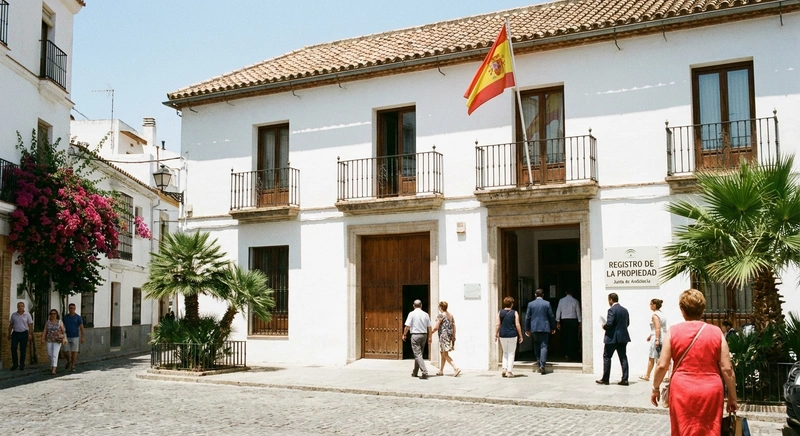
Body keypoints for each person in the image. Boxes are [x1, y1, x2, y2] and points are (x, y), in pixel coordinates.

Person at [650, 289, 738, 435]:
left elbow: (662, 365)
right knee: (710, 430)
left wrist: (655, 388)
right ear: (703, 309)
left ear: (682, 310)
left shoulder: (673, 331)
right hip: (711, 391)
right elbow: (727, 368)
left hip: (682, 390)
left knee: (683, 430)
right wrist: (733, 397)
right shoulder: (716, 332)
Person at [597, 292, 631, 386]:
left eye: (609, 300)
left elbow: (610, 324)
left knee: (607, 357)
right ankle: (625, 379)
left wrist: (604, 326)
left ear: (611, 299)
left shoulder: (611, 310)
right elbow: (627, 323)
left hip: (612, 338)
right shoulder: (625, 310)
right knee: (623, 358)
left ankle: (605, 379)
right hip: (623, 337)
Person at [525, 288, 556, 375]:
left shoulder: (531, 304)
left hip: (534, 327)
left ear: (535, 295)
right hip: (545, 327)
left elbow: (527, 317)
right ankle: (542, 365)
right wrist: (553, 327)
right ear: (543, 295)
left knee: (536, 343)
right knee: (544, 345)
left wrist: (527, 329)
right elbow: (551, 316)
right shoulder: (547, 303)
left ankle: (538, 360)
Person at [401, 299, 431, 380]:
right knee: (419, 354)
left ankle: (424, 372)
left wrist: (404, 334)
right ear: (421, 305)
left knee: (417, 354)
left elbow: (407, 326)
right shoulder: (426, 314)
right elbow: (429, 327)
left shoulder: (411, 314)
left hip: (415, 335)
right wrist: (430, 337)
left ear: (413, 306)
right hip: (424, 335)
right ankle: (415, 372)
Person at [430, 301, 461, 377]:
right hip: (449, 336)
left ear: (440, 307)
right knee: (442, 353)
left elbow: (436, 327)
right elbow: (454, 326)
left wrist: (430, 332)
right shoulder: (450, 315)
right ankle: (441, 370)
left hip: (443, 336)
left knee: (445, 354)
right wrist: (454, 336)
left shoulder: (441, 315)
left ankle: (455, 368)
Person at [495, 296, 523, 378]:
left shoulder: (500, 312)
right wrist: (520, 335)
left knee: (505, 352)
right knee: (511, 353)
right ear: (511, 304)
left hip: (503, 334)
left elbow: (497, 324)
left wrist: (496, 334)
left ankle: (504, 368)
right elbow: (517, 324)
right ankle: (509, 371)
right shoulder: (514, 313)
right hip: (512, 334)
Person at [640, 298, 667, 381]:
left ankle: (648, 375)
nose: (650, 306)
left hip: (657, 337)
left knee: (652, 356)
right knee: (659, 356)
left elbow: (657, 328)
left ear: (654, 305)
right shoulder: (661, 314)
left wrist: (657, 339)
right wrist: (650, 335)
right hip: (661, 336)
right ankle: (650, 374)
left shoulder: (655, 315)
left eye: (651, 304)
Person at [555, 289, 581, 361]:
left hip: (564, 320)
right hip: (573, 320)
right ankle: (570, 354)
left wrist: (558, 321)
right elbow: (578, 312)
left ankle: (565, 353)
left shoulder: (561, 301)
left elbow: (558, 311)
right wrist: (580, 322)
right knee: (572, 338)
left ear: (565, 292)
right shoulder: (575, 301)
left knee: (565, 337)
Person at [7, 302, 34, 371]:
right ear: (17, 307)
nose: (20, 307)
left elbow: (30, 324)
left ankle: (22, 364)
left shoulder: (27, 315)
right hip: (15, 333)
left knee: (23, 350)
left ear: (24, 307)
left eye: (22, 306)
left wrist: (30, 334)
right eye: (19, 306)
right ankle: (15, 364)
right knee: (13, 348)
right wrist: (9, 333)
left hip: (24, 333)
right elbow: (11, 325)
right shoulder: (14, 315)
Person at [41, 309, 66, 375]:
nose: (53, 315)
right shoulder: (48, 322)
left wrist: (64, 338)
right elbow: (45, 330)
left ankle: (54, 369)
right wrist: (43, 338)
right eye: (51, 314)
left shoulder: (59, 322)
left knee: (55, 354)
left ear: (57, 314)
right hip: (49, 340)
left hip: (57, 340)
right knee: (50, 354)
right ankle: (52, 365)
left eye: (54, 314)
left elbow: (63, 331)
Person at [62, 303, 85, 372]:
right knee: (65, 351)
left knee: (74, 351)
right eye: (70, 308)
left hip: (75, 336)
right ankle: (69, 360)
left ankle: (72, 365)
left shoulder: (78, 317)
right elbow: (62, 326)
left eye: (73, 308)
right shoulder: (65, 317)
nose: (71, 309)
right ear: (68, 309)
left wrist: (82, 337)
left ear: (75, 309)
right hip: (66, 336)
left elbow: (81, 327)